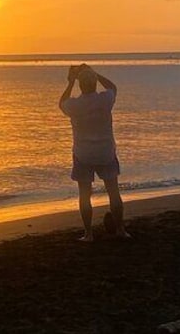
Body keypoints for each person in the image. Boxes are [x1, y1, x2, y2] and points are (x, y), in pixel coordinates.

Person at [59, 64, 129, 242]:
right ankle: (120, 229)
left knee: (84, 194)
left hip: (83, 154)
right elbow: (113, 87)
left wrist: (70, 82)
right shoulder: (104, 100)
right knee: (113, 191)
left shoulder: (75, 105)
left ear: (81, 85)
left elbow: (62, 103)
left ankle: (88, 233)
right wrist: (95, 73)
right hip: (105, 152)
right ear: (94, 84)